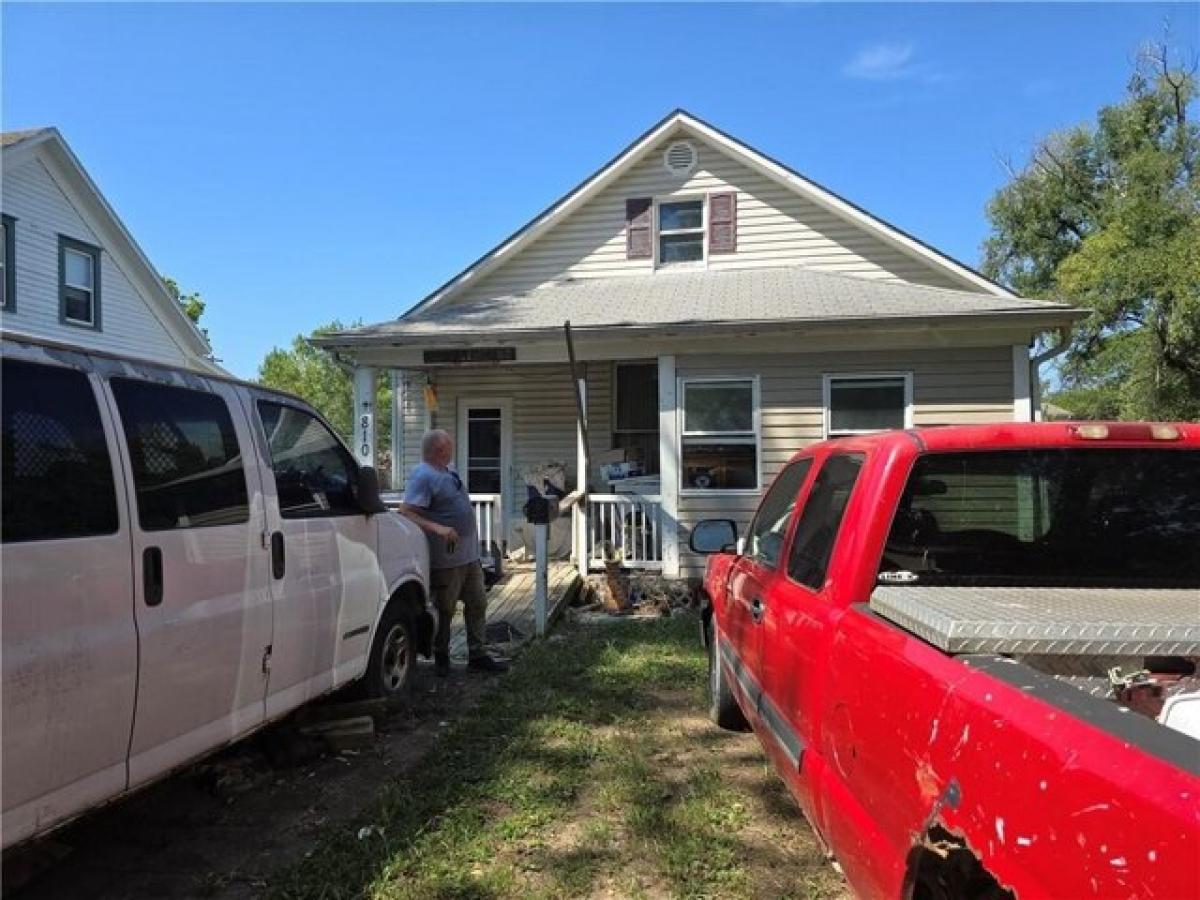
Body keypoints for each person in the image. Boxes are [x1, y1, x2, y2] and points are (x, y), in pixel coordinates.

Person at [399, 429, 508, 676]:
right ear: (440, 450)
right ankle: (441, 657)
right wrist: (438, 528)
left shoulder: (448, 470)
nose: (452, 449)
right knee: (445, 609)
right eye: (449, 445)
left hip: (469, 556)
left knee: (478, 602)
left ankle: (477, 655)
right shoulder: (422, 476)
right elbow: (406, 511)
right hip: (446, 559)